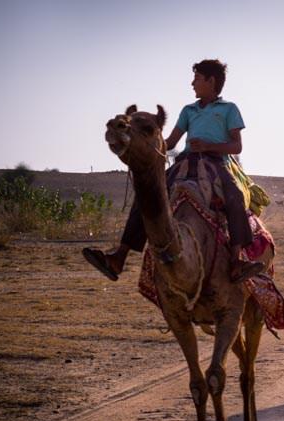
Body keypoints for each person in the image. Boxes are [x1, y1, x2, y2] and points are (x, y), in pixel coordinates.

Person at [83, 59, 264, 283]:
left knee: (235, 195)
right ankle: (119, 257)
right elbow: (167, 143)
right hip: (185, 163)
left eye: (197, 78)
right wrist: (137, 141)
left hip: (216, 163)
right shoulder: (189, 111)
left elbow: (237, 146)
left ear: (211, 81)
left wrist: (208, 146)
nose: (192, 83)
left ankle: (237, 261)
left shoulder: (228, 109)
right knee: (147, 195)